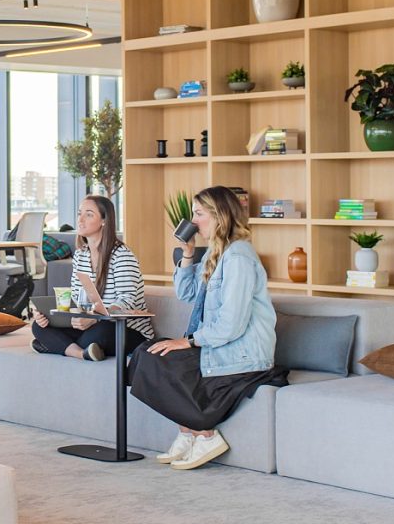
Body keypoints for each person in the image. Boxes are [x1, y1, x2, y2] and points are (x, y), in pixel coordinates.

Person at [131, 186, 285, 471]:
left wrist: (188, 342)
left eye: (199, 214)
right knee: (144, 353)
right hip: (220, 344)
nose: (193, 221)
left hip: (242, 353)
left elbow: (232, 324)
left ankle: (204, 434)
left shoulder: (238, 257)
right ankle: (188, 432)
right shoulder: (217, 252)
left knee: (159, 359)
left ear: (219, 216)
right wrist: (188, 253)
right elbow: (187, 293)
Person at [31, 194, 151, 360]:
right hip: (90, 325)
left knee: (100, 332)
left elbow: (127, 302)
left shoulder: (122, 255)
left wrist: (96, 319)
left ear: (104, 221)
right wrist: (52, 315)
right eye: (79, 213)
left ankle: (56, 346)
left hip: (125, 329)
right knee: (38, 326)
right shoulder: (81, 255)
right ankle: (82, 353)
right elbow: (76, 298)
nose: (80, 220)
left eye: (88, 214)